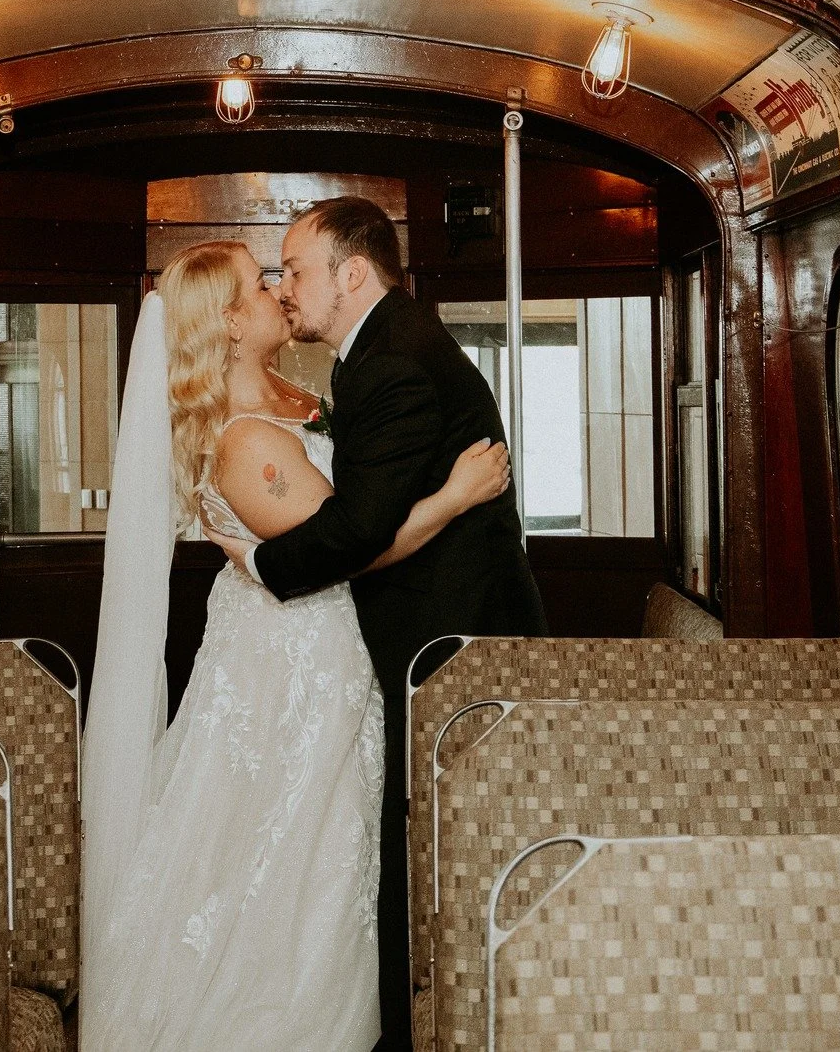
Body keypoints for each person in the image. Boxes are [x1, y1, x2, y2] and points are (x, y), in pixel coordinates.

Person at [80, 240, 510, 1052]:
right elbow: (352, 545)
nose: (277, 289)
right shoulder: (242, 443)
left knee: (332, 851)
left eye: (278, 274)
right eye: (258, 284)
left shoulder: (301, 394)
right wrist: (455, 496)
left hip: (331, 649)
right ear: (230, 325)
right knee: (276, 846)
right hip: (284, 670)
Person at [209, 196, 548, 1050]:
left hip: (452, 645)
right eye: (274, 277)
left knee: (434, 840)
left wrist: (260, 564)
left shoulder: (389, 361)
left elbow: (356, 529)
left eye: (295, 269)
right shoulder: (375, 353)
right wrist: (452, 495)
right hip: (421, 638)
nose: (286, 289)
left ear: (351, 273)